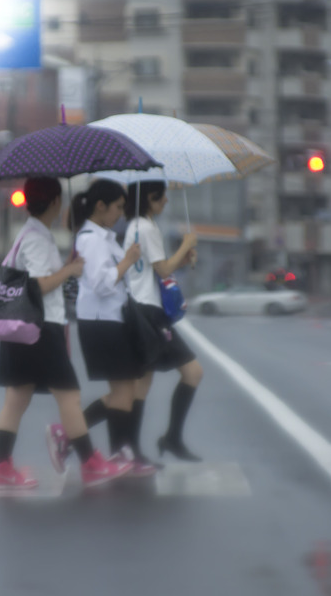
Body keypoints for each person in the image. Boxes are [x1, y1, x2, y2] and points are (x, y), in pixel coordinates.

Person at [0, 177, 132, 490]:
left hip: (22, 329)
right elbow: (37, 285)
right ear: (55, 202)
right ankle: (90, 463)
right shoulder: (37, 238)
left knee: (16, 399)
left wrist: (65, 267)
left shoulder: (31, 234)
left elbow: (41, 277)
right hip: (40, 328)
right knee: (69, 395)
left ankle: (0, 467)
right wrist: (66, 271)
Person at [49, 179, 155, 477]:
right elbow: (100, 283)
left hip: (112, 320)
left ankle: (70, 436)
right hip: (100, 322)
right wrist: (127, 262)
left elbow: (117, 277)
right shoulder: (90, 239)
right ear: (100, 206)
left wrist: (130, 260)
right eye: (118, 208)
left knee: (126, 389)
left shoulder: (105, 237)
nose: (121, 214)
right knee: (123, 390)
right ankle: (120, 452)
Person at [120, 181, 204, 463]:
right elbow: (164, 268)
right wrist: (186, 245)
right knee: (190, 373)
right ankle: (168, 439)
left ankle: (146, 446)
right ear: (151, 199)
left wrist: (181, 258)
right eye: (162, 197)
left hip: (140, 308)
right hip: (149, 312)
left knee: (142, 384)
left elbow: (154, 269)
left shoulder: (135, 225)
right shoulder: (146, 227)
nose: (166, 201)